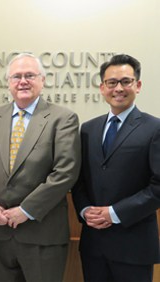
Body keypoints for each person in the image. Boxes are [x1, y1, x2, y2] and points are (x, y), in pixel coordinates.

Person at [0, 53, 81, 282]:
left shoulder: (63, 119)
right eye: (16, 76)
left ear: (42, 80)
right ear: (8, 82)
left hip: (42, 234)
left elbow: (65, 172)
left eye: (30, 75)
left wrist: (26, 210)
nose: (23, 81)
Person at [72, 54, 160, 282]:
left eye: (125, 81)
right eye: (112, 82)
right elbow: (79, 179)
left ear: (137, 85)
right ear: (102, 87)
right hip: (94, 245)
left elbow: (158, 187)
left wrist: (114, 213)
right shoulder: (88, 129)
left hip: (134, 245)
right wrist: (84, 210)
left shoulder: (154, 128)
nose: (118, 88)